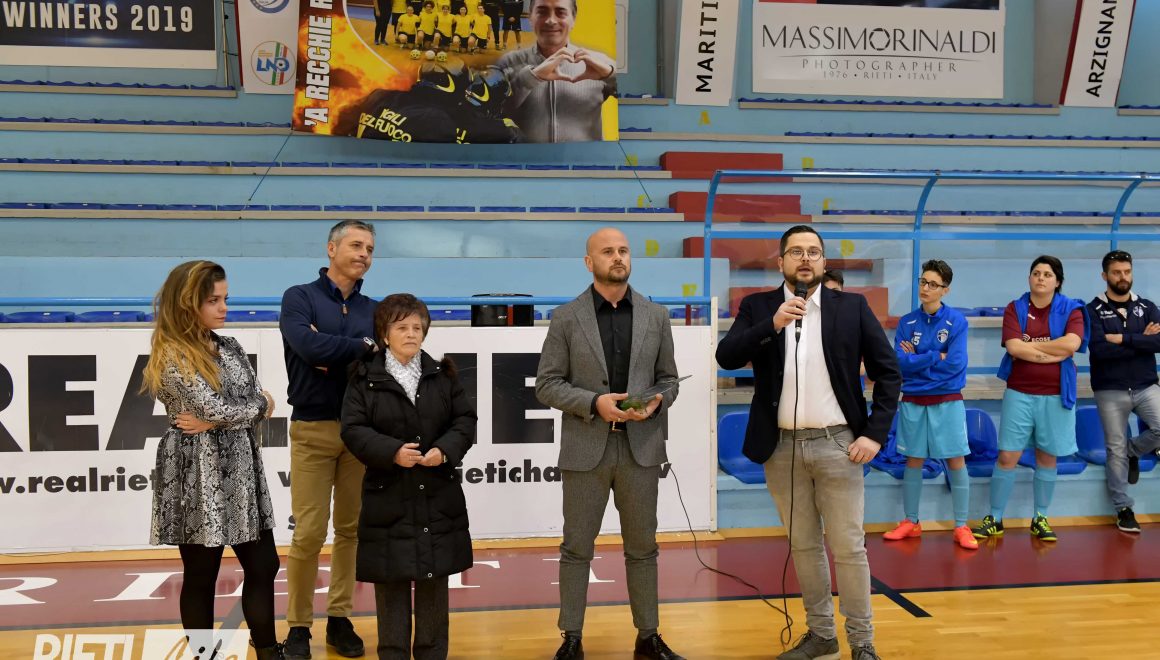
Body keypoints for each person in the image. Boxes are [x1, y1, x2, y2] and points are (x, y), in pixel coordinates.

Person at [716, 225, 899, 660]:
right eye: (796, 251)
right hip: (781, 448)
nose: (805, 258)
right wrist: (773, 324)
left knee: (849, 548)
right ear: (780, 261)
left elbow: (889, 373)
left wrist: (875, 435)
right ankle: (821, 635)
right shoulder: (759, 306)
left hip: (840, 445)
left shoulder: (853, 307)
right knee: (803, 546)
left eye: (813, 252)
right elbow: (726, 357)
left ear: (823, 261)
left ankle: (862, 642)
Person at [535, 227, 684, 660]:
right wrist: (593, 403)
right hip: (586, 449)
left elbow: (669, 380)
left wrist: (656, 402)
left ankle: (648, 636)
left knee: (643, 548)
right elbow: (547, 384)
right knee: (576, 548)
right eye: (607, 251)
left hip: (640, 449)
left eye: (623, 250)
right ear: (589, 262)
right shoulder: (566, 317)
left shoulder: (656, 316)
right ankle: (571, 638)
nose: (617, 257)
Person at [144, 261, 282, 659]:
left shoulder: (230, 345)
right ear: (187, 304)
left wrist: (242, 409)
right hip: (196, 469)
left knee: (265, 564)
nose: (223, 308)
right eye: (212, 300)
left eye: (225, 298)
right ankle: (206, 654)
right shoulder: (172, 353)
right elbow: (218, 407)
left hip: (240, 465)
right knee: (202, 573)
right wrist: (254, 407)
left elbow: (250, 400)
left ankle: (268, 650)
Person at [341, 294, 476, 660]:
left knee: (434, 579)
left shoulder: (443, 374)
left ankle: (432, 653)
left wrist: (444, 450)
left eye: (418, 327)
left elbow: (465, 421)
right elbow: (353, 429)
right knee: (391, 581)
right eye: (402, 327)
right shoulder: (363, 378)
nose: (412, 333)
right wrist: (392, 452)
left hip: (438, 494)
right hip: (388, 496)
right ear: (384, 334)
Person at [280, 220, 379, 660]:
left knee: (351, 530)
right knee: (308, 533)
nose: (364, 254)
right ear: (331, 249)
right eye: (356, 245)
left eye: (370, 249)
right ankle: (298, 626)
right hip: (312, 430)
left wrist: (336, 350)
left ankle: (339, 618)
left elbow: (379, 360)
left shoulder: (375, 309)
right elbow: (308, 348)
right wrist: (360, 347)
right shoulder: (299, 297)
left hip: (360, 432)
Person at [972, 255, 1088, 543]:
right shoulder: (1016, 308)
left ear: (1057, 281)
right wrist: (1052, 352)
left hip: (1056, 394)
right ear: (1029, 278)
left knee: (1046, 457)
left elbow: (1072, 345)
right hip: (1019, 393)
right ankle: (995, 518)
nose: (1040, 278)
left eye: (1047, 274)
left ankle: (1040, 517)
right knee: (1007, 456)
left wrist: (1032, 347)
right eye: (1036, 273)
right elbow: (1014, 347)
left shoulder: (1072, 309)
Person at [882, 260, 977, 550]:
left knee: (955, 460)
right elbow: (900, 363)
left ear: (945, 290)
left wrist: (918, 360)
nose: (925, 288)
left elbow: (956, 364)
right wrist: (936, 356)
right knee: (913, 459)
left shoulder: (957, 321)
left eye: (933, 284)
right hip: (913, 400)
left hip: (947, 399)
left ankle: (961, 525)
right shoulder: (907, 322)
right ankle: (911, 521)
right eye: (923, 281)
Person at [1086, 250, 1160, 533]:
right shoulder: (1092, 310)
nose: (1123, 277)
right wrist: (1141, 340)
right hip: (1110, 389)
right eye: (1116, 272)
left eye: (1127, 271)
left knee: (1137, 441)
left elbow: (1159, 343)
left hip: (1146, 385)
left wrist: (1123, 339)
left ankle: (1133, 451)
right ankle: (1123, 509)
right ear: (1104, 275)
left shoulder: (1147, 306)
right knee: (1114, 448)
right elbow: (1100, 351)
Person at [496, 0, 616, 143]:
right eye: (542, 12)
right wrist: (530, 78)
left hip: (584, 158)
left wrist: (609, 76)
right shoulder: (507, 63)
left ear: (573, 18)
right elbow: (488, 115)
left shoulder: (600, 63)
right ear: (530, 17)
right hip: (522, 157)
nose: (551, 20)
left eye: (560, 12)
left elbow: (634, 102)